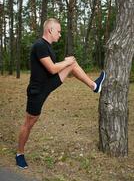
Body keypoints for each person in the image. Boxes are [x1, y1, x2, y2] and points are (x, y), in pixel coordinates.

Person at [15, 18, 105, 169]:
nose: (60, 35)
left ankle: (95, 86)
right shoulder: (40, 45)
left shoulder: (48, 47)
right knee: (29, 123)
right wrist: (67, 61)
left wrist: (68, 62)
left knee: (72, 64)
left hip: (48, 84)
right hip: (37, 92)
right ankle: (19, 154)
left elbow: (53, 69)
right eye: (59, 31)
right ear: (50, 30)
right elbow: (52, 68)